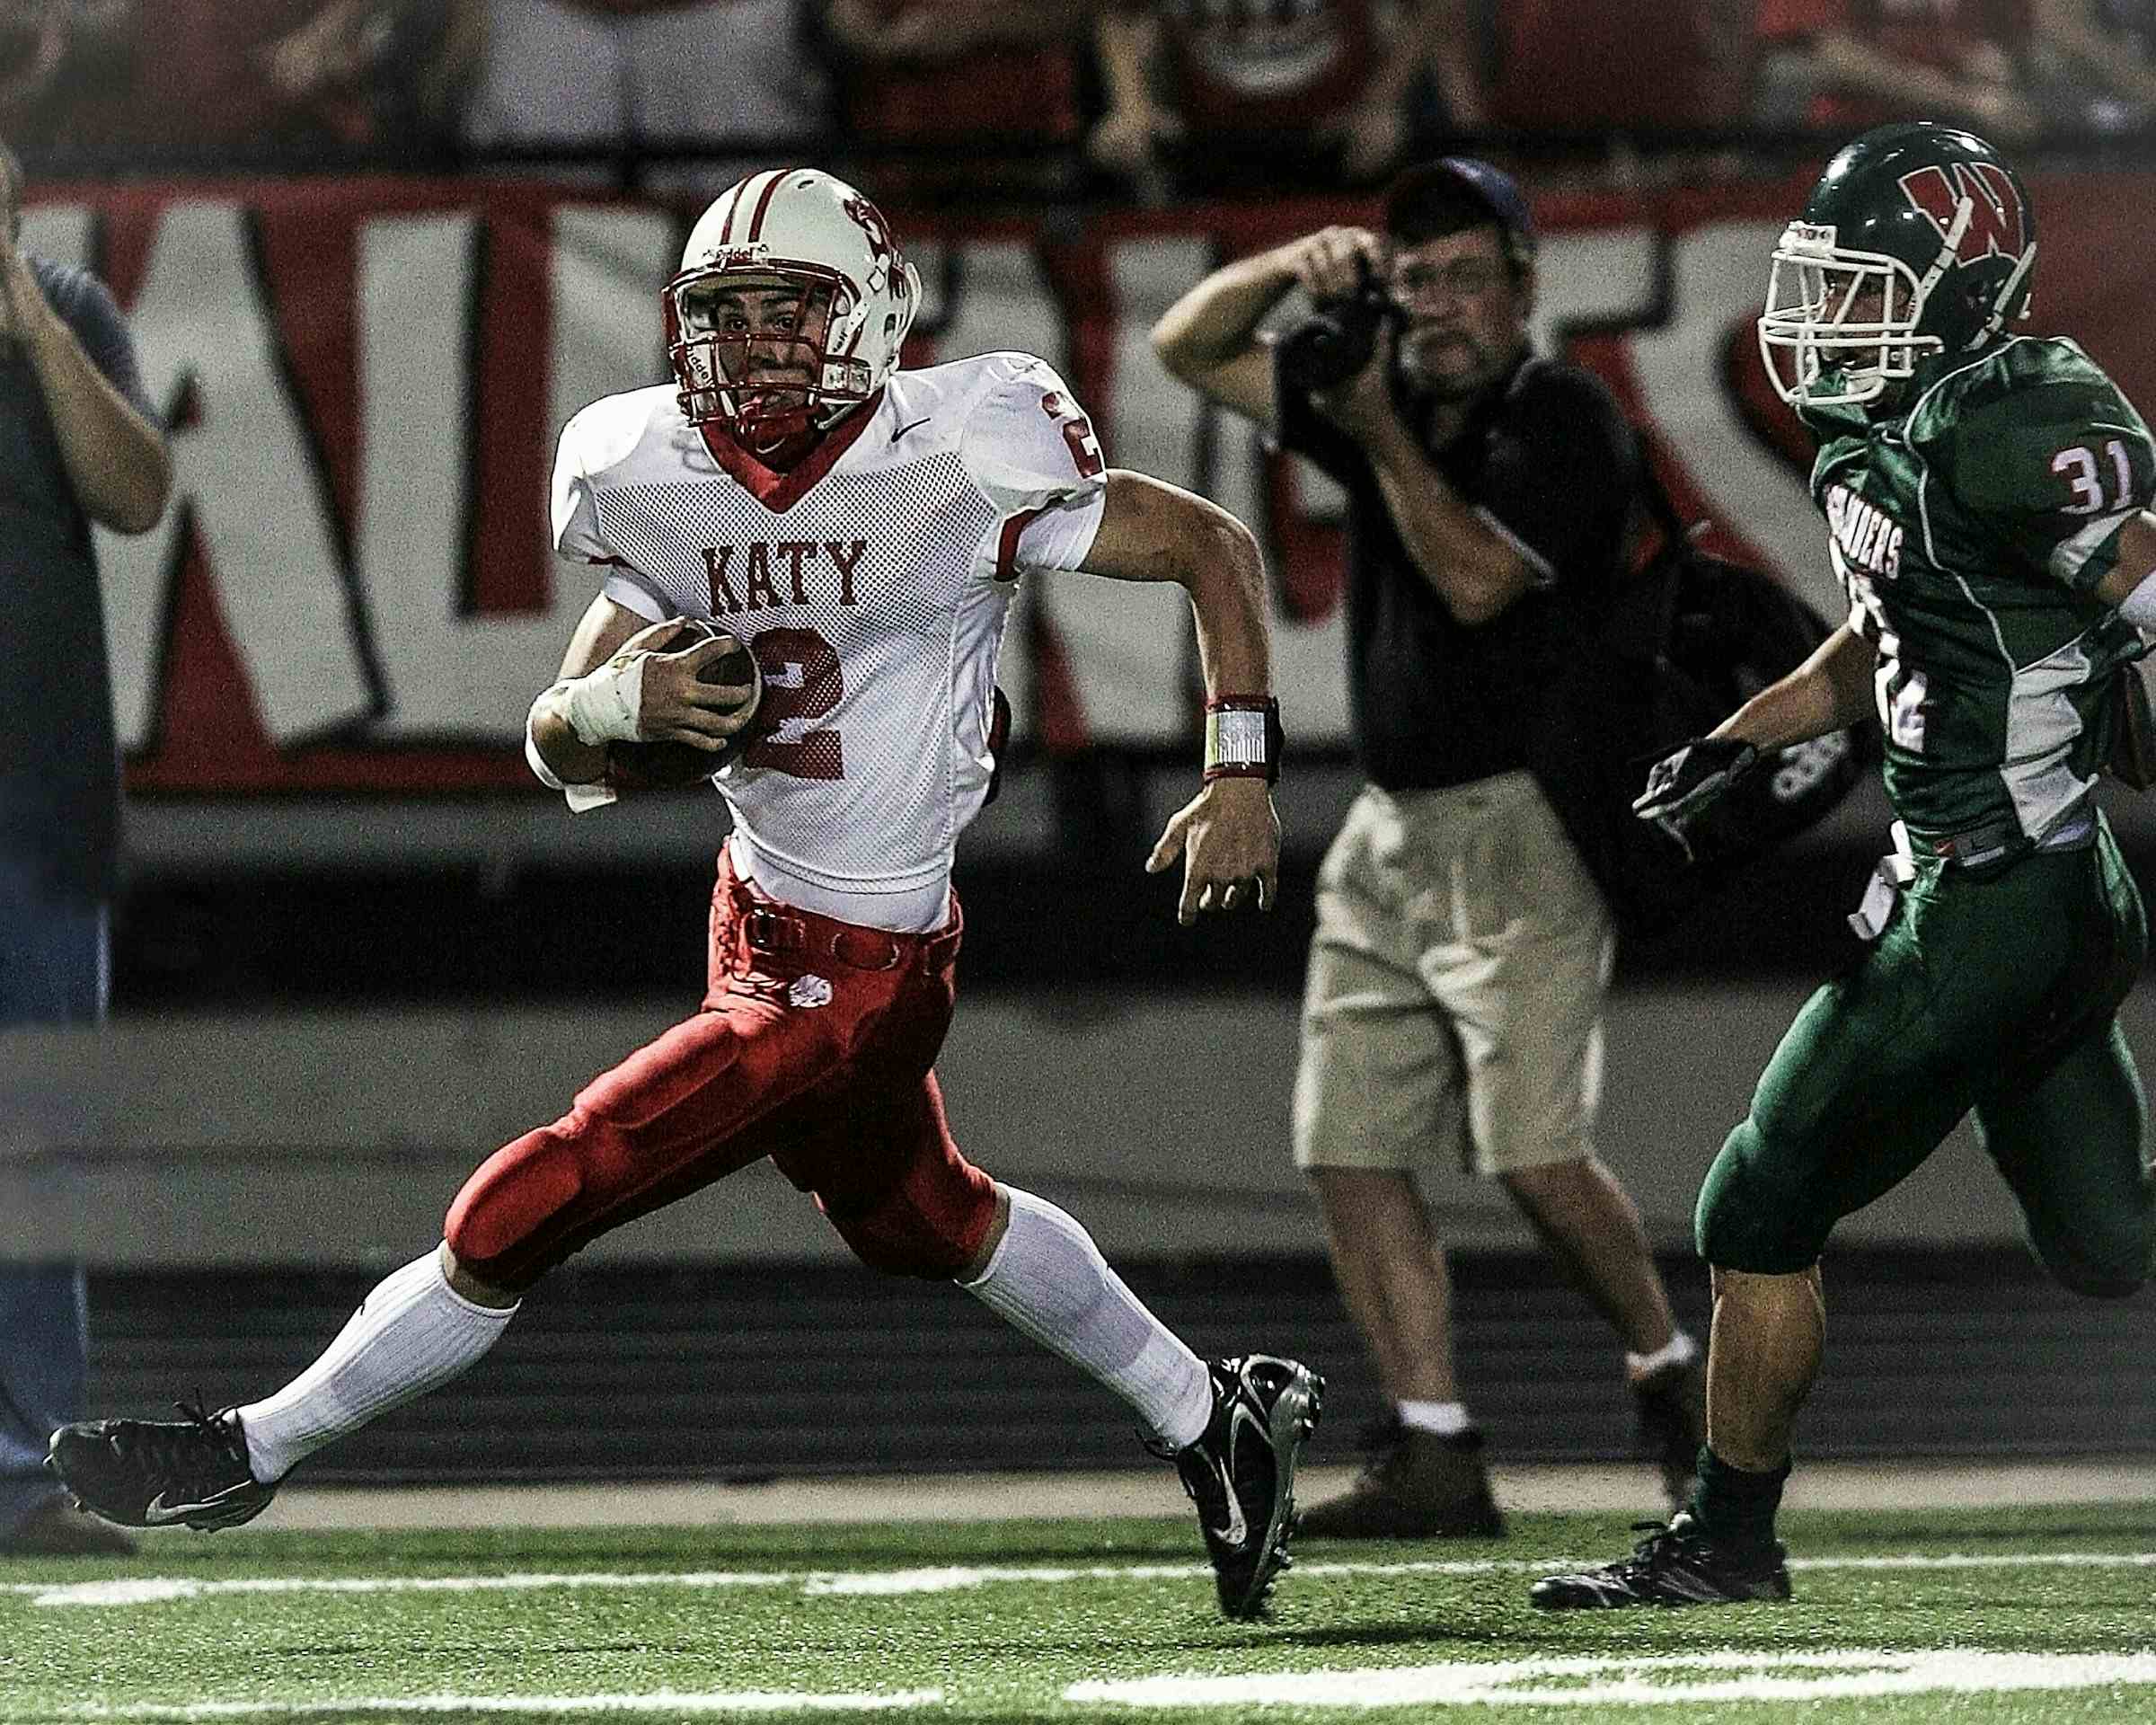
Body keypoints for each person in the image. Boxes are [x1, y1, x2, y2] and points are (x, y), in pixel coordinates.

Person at [46, 165, 1323, 1622]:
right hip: (754, 913)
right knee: (918, 1215)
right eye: (727, 315)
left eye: (793, 314)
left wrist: (1239, 776)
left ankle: (246, 1450)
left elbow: (1212, 547)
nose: (757, 347)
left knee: (546, 1189)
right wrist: (614, 709)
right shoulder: (641, 466)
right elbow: (557, 731)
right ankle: (1208, 1418)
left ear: (875, 311)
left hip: (868, 964)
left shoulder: (963, 446)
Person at [1533, 120, 2156, 1611]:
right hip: (2054, 906)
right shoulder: (1883, 433)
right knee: (2110, 1246)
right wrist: (1760, 731)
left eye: (1866, 288)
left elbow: (2144, 579)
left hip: (1988, 898)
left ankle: (1725, 1541)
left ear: (1963, 293)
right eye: (1819, 282)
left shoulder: (2016, 416)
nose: (1824, 321)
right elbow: (1898, 622)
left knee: (1757, 1206)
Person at [1150, 158, 1704, 1541]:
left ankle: (1673, 1371)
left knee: (1531, 1155)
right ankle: (1438, 1448)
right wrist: (1296, 261)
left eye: (1467, 276)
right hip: (1390, 829)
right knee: (1347, 1142)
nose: (1440, 304)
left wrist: (1378, 430)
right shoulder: (1382, 395)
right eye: (1417, 279)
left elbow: (1473, 579)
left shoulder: (1564, 416)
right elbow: (1188, 342)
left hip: (1524, 828)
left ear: (1525, 287)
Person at [0, 138, 170, 1557]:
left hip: (33, 813)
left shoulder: (68, 308)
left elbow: (133, 491)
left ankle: (19, 1473)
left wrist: (31, 316)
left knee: (38, 1141)